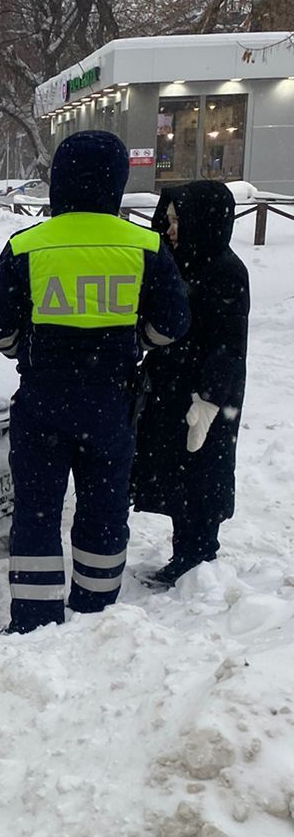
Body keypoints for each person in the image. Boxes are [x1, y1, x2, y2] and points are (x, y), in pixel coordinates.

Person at [0, 131, 190, 634]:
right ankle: (96, 610)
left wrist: (25, 350)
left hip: (42, 401)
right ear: (117, 181)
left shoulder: (27, 244)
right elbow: (173, 323)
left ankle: (33, 617)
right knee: (104, 508)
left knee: (37, 512)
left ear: (59, 181)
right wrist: (138, 341)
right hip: (110, 403)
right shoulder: (146, 246)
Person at [132, 180, 249, 583]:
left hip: (207, 394)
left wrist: (209, 400)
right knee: (177, 473)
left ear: (205, 221)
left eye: (177, 220)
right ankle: (186, 555)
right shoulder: (179, 261)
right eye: (168, 220)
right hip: (171, 386)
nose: (169, 229)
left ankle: (200, 556)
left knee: (202, 474)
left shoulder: (226, 272)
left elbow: (229, 346)